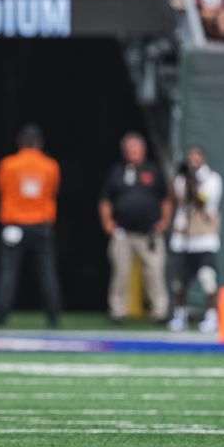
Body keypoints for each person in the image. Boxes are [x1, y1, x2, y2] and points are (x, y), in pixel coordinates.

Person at [0, 124, 62, 328]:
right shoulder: (51, 165)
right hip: (42, 225)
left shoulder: (8, 164)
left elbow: (0, 186)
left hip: (14, 225)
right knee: (47, 272)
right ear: (40, 143)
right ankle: (53, 318)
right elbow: (53, 190)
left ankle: (1, 317)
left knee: (8, 272)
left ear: (20, 141)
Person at [99, 133, 171, 323]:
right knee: (120, 272)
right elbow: (106, 200)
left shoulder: (153, 171)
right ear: (124, 151)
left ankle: (160, 311)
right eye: (130, 148)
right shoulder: (117, 171)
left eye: (136, 148)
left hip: (149, 233)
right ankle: (117, 311)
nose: (133, 152)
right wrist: (108, 222)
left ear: (143, 150)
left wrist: (164, 221)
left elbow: (166, 199)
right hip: (123, 232)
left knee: (155, 272)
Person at [168, 147, 224, 333]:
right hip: (183, 237)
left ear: (204, 159)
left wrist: (194, 181)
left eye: (196, 157)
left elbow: (203, 200)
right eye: (190, 157)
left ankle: (211, 316)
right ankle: (180, 315)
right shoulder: (181, 178)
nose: (193, 160)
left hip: (204, 237)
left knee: (207, 278)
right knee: (179, 281)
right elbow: (180, 198)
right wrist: (186, 179)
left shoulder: (213, 179)